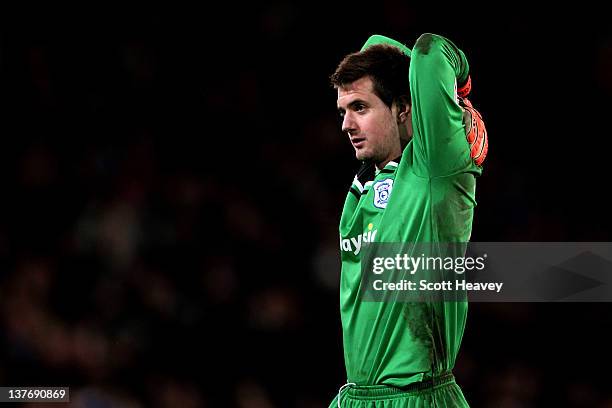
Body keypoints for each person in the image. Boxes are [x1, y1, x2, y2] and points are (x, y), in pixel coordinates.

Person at [329, 33, 487, 407]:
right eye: (343, 111)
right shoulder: (371, 178)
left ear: (403, 108)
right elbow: (374, 43)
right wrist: (393, 78)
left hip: (416, 397)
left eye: (360, 108)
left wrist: (458, 93)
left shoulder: (434, 166)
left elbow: (428, 51)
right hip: (355, 396)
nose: (346, 125)